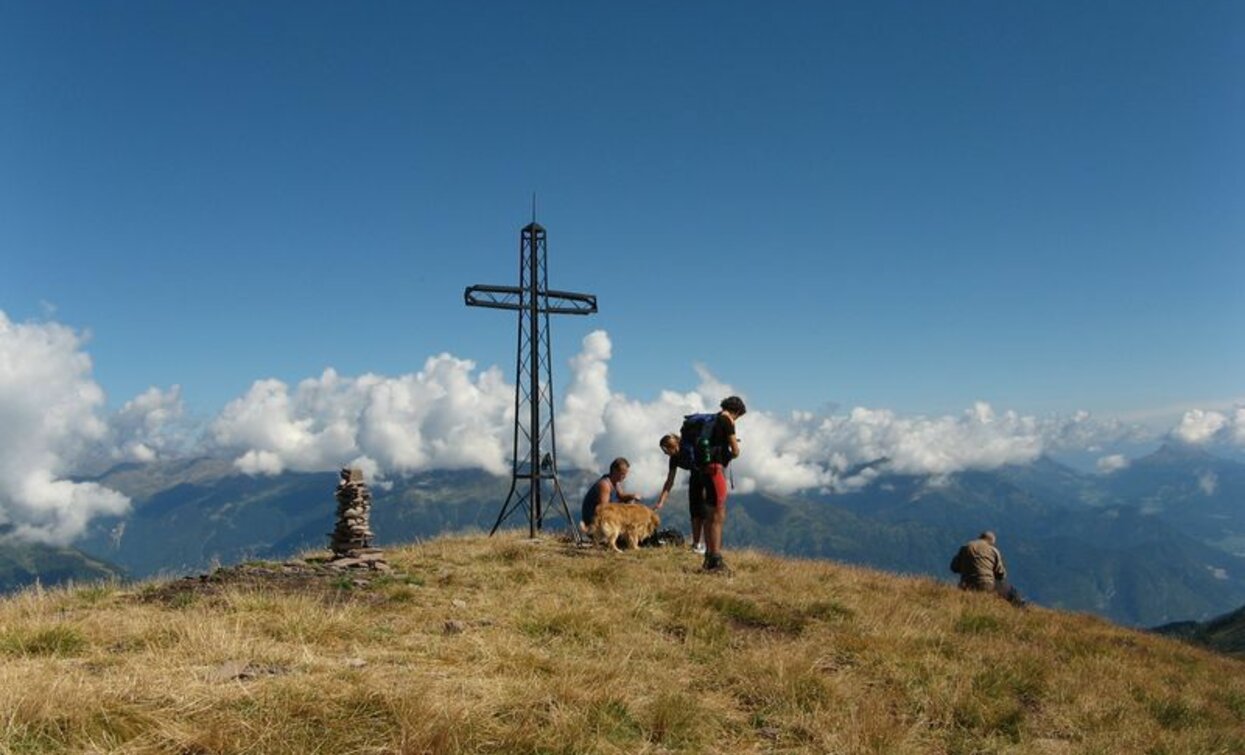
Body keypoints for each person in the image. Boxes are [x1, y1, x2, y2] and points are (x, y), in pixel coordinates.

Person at [656, 396, 745, 572]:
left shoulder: (709, 423)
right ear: (737, 411)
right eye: (739, 416)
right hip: (715, 470)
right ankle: (715, 559)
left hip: (704, 471)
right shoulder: (726, 421)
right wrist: (728, 453)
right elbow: (736, 451)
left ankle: (707, 554)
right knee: (717, 514)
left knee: (707, 512)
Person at [950, 531, 1026, 607]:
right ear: (991, 542)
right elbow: (1001, 574)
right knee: (1011, 590)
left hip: (966, 585)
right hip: (986, 586)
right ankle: (1021, 607)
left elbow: (954, 567)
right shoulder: (993, 550)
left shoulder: (965, 547)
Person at [580, 457, 643, 531]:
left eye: (625, 474)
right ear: (615, 471)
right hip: (595, 524)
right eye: (622, 474)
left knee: (630, 503)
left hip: (605, 520)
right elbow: (603, 510)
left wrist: (632, 496)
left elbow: (621, 496)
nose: (624, 477)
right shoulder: (604, 485)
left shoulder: (615, 483)